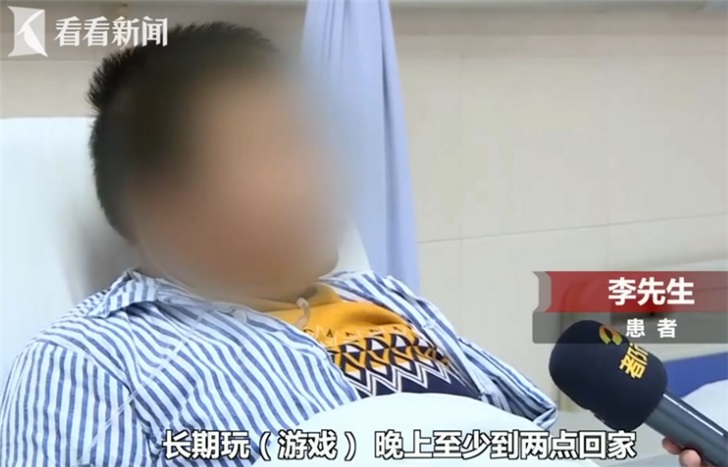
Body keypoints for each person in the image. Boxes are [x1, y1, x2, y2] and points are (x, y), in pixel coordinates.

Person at [0, 23, 556, 466]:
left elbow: (538, 436)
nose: (327, 175)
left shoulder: (389, 299)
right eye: (280, 148)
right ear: (164, 200)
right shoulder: (93, 364)